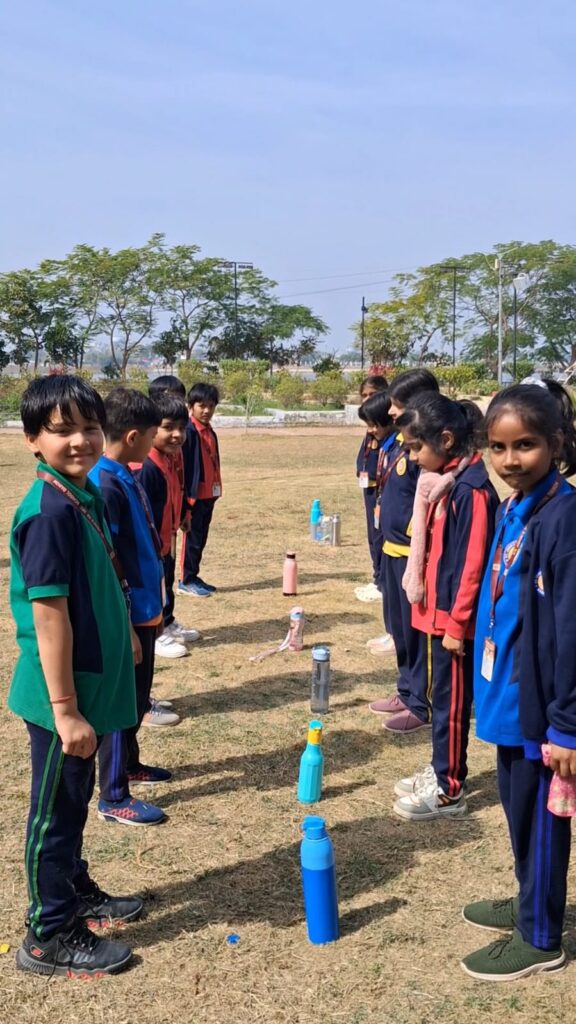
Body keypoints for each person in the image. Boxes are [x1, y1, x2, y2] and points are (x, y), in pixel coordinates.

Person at [8, 375, 142, 977]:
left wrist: (126, 636)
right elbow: (50, 614)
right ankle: (49, 932)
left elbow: (100, 581)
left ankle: (74, 890)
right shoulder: (48, 512)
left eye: (90, 428)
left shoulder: (82, 495)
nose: (80, 441)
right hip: (63, 697)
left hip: (86, 685)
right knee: (55, 813)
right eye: (62, 431)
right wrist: (64, 709)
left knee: (75, 800)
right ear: (32, 439)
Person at [460, 381, 576, 981]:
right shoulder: (517, 504)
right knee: (518, 811)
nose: (510, 460)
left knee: (541, 818)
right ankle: (529, 894)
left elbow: (571, 631)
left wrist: (567, 725)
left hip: (543, 710)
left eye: (525, 445)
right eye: (498, 447)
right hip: (506, 696)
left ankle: (539, 935)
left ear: (555, 443)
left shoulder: (565, 517)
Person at [390, 393, 498, 819]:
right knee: (441, 698)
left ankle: (449, 788)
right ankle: (441, 767)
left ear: (447, 440)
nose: (413, 456)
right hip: (437, 614)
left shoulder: (471, 491)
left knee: (451, 703)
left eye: (417, 447)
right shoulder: (446, 482)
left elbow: (472, 566)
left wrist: (456, 624)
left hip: (455, 622)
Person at [90, 388, 173, 825]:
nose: (156, 441)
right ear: (134, 436)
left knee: (138, 699)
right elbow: (110, 560)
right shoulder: (106, 483)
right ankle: (113, 795)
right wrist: (124, 624)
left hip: (146, 608)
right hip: (130, 614)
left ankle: (130, 764)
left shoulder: (124, 473)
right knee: (123, 705)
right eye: (154, 434)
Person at [367, 369, 440, 715]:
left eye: (397, 405)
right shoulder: (398, 443)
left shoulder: (428, 450)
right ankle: (406, 689)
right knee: (399, 629)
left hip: (414, 555)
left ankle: (420, 702)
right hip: (392, 550)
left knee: (416, 633)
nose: (391, 411)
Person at [139, 392, 201, 658]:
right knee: (154, 587)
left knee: (166, 583)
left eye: (182, 428)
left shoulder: (169, 458)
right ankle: (156, 634)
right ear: (151, 429)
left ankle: (167, 621)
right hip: (152, 545)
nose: (177, 435)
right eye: (168, 427)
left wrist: (182, 515)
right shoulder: (147, 467)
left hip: (167, 538)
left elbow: (176, 493)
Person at [178, 382, 222, 597]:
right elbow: (184, 466)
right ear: (191, 406)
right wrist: (186, 497)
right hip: (194, 496)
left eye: (211, 406)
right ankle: (186, 580)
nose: (206, 410)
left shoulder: (209, 431)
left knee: (201, 538)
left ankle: (193, 575)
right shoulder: (188, 431)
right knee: (192, 539)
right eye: (201, 405)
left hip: (209, 494)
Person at [354, 374, 388, 603]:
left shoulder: (387, 429)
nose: (367, 399)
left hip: (381, 491)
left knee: (381, 536)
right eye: (364, 395)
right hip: (369, 490)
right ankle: (377, 577)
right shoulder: (371, 429)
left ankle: (383, 581)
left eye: (372, 395)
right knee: (372, 536)